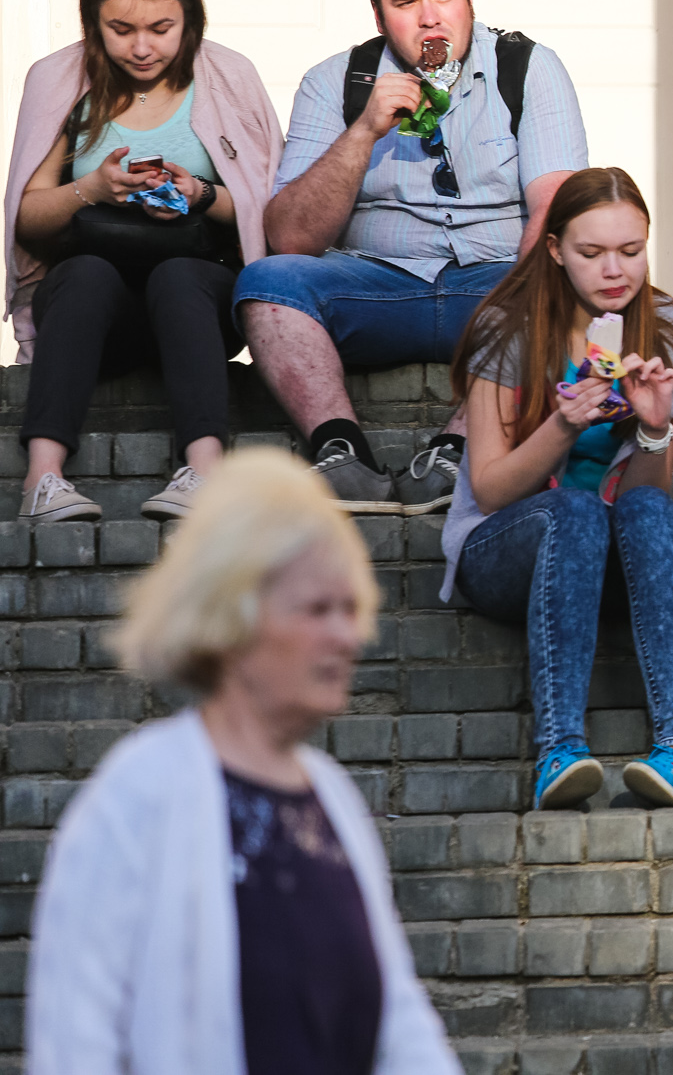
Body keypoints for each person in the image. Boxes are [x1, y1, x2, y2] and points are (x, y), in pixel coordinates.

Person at [25, 448, 457, 1074]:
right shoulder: (139, 793)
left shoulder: (333, 800)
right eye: (317, 610)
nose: (348, 635)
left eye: (350, 608)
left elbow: (400, 1021)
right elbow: (75, 1040)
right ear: (233, 619)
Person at [234, 0, 589, 513]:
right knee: (265, 285)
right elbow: (290, 237)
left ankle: (459, 448)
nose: (429, 17)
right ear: (379, 16)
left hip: (494, 286)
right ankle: (338, 453)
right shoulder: (334, 83)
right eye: (406, 2)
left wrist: (524, 302)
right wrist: (365, 130)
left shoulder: (528, 68)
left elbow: (553, 207)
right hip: (375, 283)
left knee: (565, 281)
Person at [441, 167, 673, 811]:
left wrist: (653, 427)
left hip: (617, 557)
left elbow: (652, 490)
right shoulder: (508, 329)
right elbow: (492, 486)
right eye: (591, 254)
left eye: (631, 251)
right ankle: (559, 749)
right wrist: (563, 423)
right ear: (556, 250)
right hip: (506, 550)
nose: (615, 271)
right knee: (573, 510)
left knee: (641, 504)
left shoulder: (671, 332)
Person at [3, 0, 281, 523]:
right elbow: (24, 218)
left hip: (197, 301)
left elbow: (271, 209)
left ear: (190, 18)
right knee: (84, 275)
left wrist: (200, 195)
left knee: (180, 277)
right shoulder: (59, 81)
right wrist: (94, 190)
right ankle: (42, 478)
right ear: (92, 23)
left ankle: (204, 472)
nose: (142, 47)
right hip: (94, 311)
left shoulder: (229, 76)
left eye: (161, 27)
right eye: (121, 29)